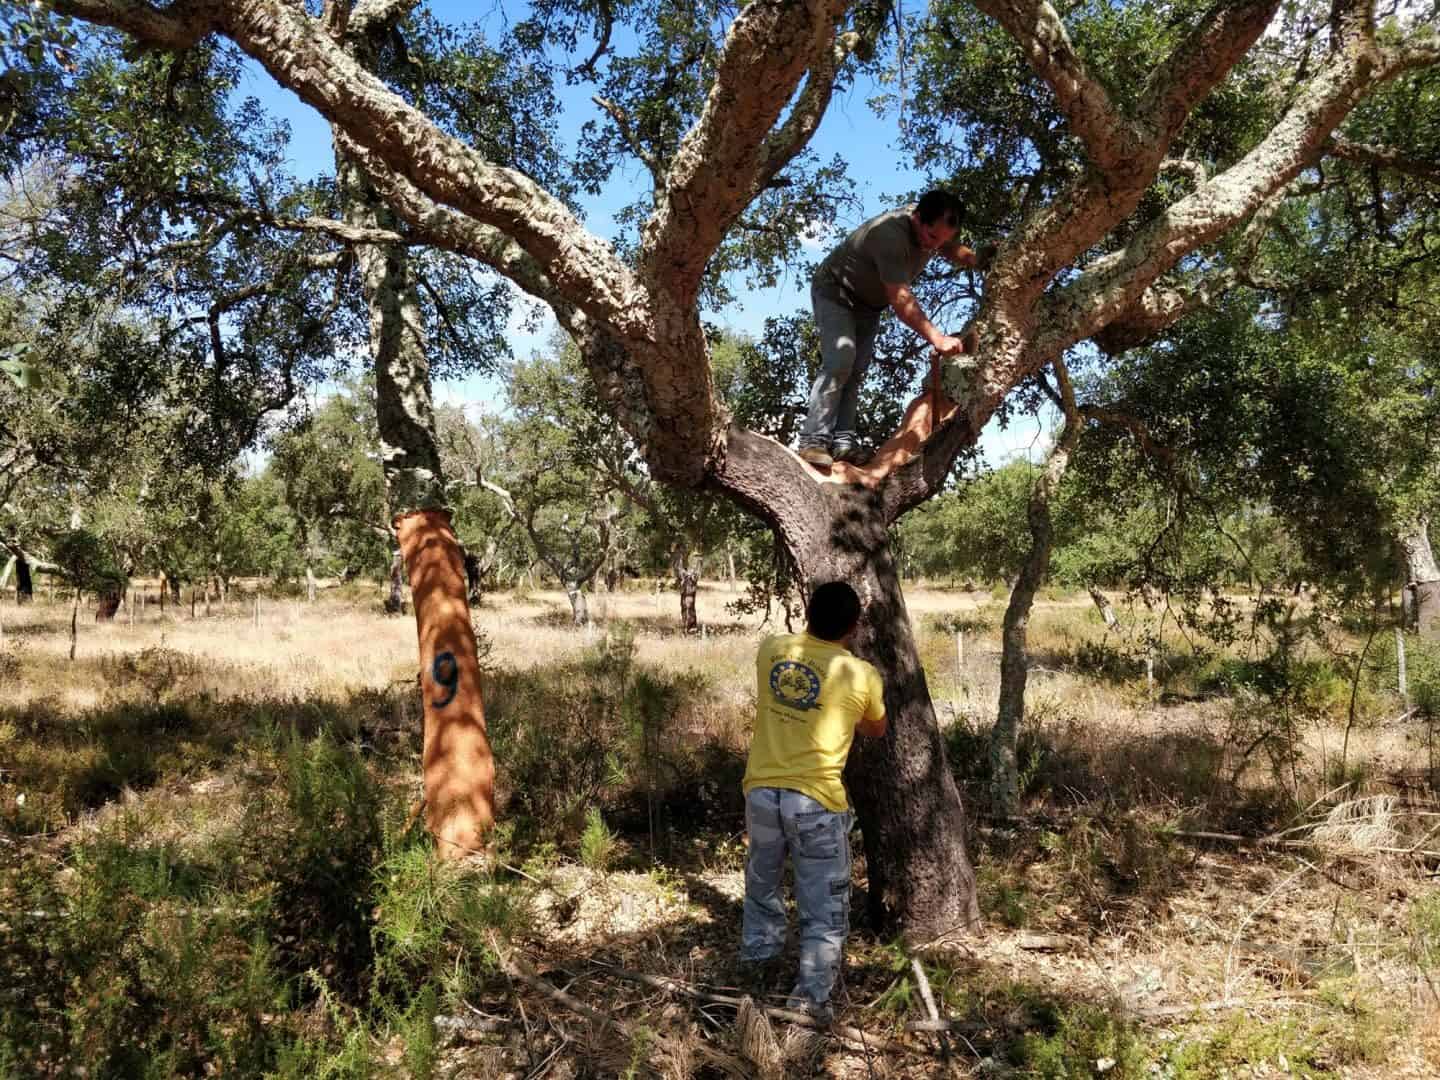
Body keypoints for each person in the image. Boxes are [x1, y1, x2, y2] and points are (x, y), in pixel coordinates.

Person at [737, 580, 887, 1022]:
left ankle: (757, 969)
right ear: (854, 626)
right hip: (816, 800)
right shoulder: (860, 674)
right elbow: (876, 728)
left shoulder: (773, 649)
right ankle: (808, 1003)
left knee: (762, 884)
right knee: (822, 904)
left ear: (807, 611)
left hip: (762, 792)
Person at [799, 190, 984, 467]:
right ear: (917, 218)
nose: (934, 246)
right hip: (836, 291)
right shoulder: (889, 236)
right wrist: (938, 338)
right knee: (840, 361)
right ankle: (813, 441)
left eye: (942, 239)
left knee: (857, 369)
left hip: (869, 305)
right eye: (932, 237)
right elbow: (900, 299)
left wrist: (974, 259)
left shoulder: (930, 227)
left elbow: (945, 246)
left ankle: (843, 444)